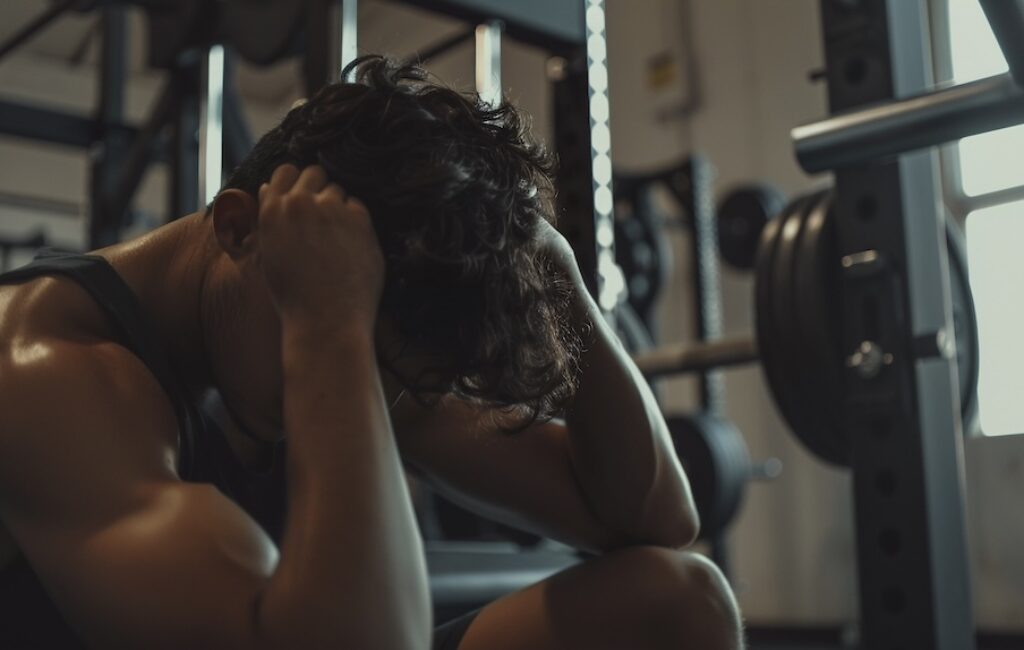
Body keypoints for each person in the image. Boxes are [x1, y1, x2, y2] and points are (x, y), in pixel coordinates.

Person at [0, 55, 742, 649]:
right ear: (239, 229)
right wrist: (329, 320)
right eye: (348, 338)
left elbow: (652, 522)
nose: (376, 397)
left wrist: (555, 269)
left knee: (679, 602)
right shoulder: (46, 366)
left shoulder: (343, 358)